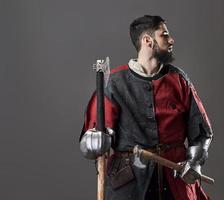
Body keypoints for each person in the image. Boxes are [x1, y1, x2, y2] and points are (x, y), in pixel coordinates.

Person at [79, 15, 213, 200]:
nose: (171, 40)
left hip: (174, 177)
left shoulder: (178, 80)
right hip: (128, 182)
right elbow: (92, 138)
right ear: (147, 41)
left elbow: (201, 133)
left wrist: (194, 163)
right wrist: (95, 140)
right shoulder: (114, 83)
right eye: (164, 35)